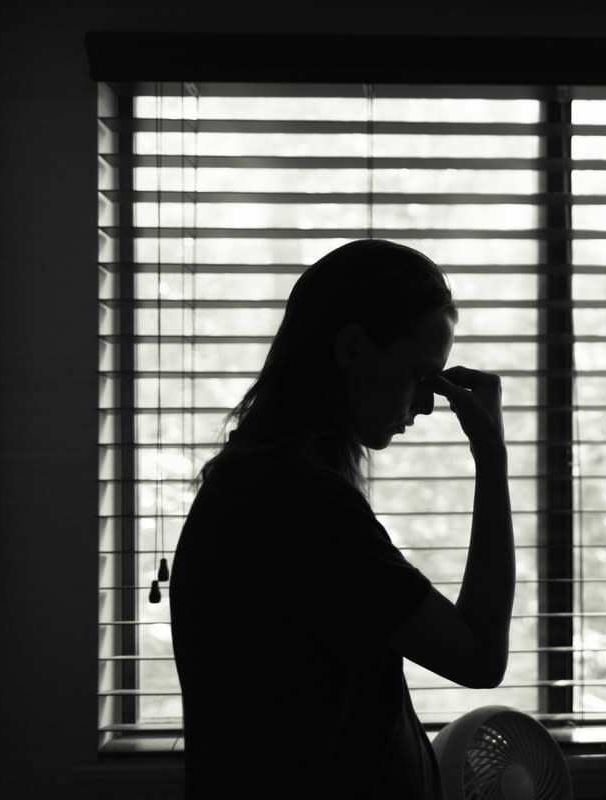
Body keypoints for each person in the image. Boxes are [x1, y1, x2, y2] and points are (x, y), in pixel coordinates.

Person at [168, 239, 515, 799]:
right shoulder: (300, 506)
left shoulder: (264, 481)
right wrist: (492, 457)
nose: (428, 405)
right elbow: (478, 657)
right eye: (419, 375)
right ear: (352, 348)